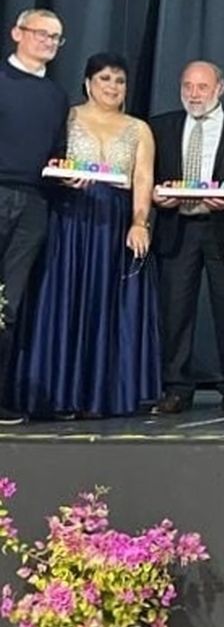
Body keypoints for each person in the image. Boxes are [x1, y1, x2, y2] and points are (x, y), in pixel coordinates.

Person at [9, 53, 159, 418]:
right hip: (69, 221)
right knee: (62, 302)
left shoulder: (138, 128)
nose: (112, 87)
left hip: (114, 222)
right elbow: (46, 161)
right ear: (88, 82)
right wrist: (62, 175)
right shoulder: (68, 117)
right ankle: (58, 394)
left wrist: (140, 222)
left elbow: (142, 178)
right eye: (105, 78)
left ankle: (100, 396)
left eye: (119, 80)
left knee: (107, 306)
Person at [150, 61, 224, 415]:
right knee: (175, 310)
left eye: (202, 87)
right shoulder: (161, 126)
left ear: (220, 89)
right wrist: (155, 197)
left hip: (222, 228)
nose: (194, 94)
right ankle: (176, 387)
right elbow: (148, 176)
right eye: (188, 86)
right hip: (176, 226)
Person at [0, 9, 70, 425]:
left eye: (56, 37)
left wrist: (66, 177)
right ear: (17, 33)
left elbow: (55, 154)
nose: (47, 41)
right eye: (41, 33)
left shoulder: (55, 96)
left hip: (35, 203)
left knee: (9, 302)